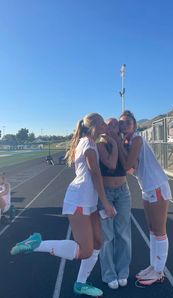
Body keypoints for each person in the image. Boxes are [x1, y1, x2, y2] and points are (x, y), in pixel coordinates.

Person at [10, 113, 116, 297]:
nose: (107, 127)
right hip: (79, 200)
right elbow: (95, 175)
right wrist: (105, 203)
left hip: (88, 200)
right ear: (96, 126)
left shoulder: (89, 142)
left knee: (98, 241)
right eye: (104, 124)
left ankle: (80, 284)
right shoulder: (88, 144)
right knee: (85, 251)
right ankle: (35, 244)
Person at [114, 110, 172, 286]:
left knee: (160, 230)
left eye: (127, 122)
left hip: (157, 186)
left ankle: (159, 271)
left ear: (134, 125)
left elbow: (127, 165)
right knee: (152, 229)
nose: (124, 125)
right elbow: (133, 169)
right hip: (146, 188)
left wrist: (117, 143)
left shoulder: (137, 139)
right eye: (121, 122)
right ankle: (153, 266)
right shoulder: (127, 142)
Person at [97, 118, 131, 289]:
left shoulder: (124, 143)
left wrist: (119, 143)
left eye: (114, 124)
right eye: (108, 124)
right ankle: (109, 274)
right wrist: (115, 144)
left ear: (118, 128)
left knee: (124, 234)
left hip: (123, 192)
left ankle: (123, 271)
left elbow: (129, 165)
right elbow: (110, 164)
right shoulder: (100, 145)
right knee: (107, 236)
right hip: (106, 193)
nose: (111, 127)